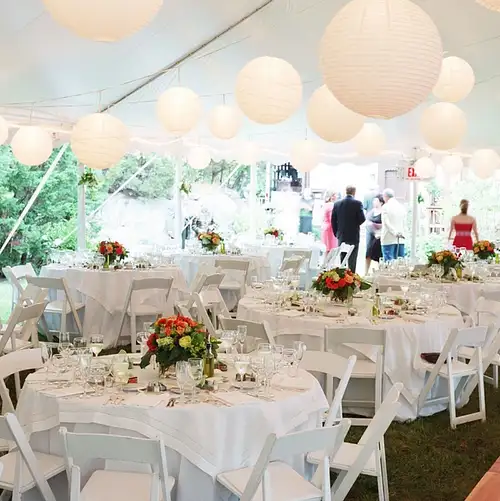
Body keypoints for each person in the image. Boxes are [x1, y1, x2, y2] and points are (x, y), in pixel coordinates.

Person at [332, 185, 365, 272]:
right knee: (352, 259)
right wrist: (355, 224)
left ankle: (342, 275)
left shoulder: (337, 204)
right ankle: (351, 276)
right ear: (354, 192)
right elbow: (362, 219)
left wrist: (336, 233)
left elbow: (333, 220)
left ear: (345, 191)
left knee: (342, 258)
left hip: (342, 235)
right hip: (354, 235)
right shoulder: (358, 203)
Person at [381, 188, 406, 261]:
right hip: (401, 238)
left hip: (388, 238)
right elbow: (404, 222)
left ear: (385, 196)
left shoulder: (385, 207)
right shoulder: (401, 207)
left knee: (389, 263)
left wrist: (394, 232)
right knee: (400, 262)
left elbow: (386, 222)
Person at [365, 194, 384, 275]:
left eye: (376, 201)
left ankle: (379, 272)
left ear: (381, 202)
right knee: (368, 253)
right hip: (370, 235)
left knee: (379, 254)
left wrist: (377, 229)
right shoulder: (371, 212)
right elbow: (367, 222)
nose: (374, 202)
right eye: (373, 200)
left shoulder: (383, 212)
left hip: (379, 236)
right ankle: (366, 272)